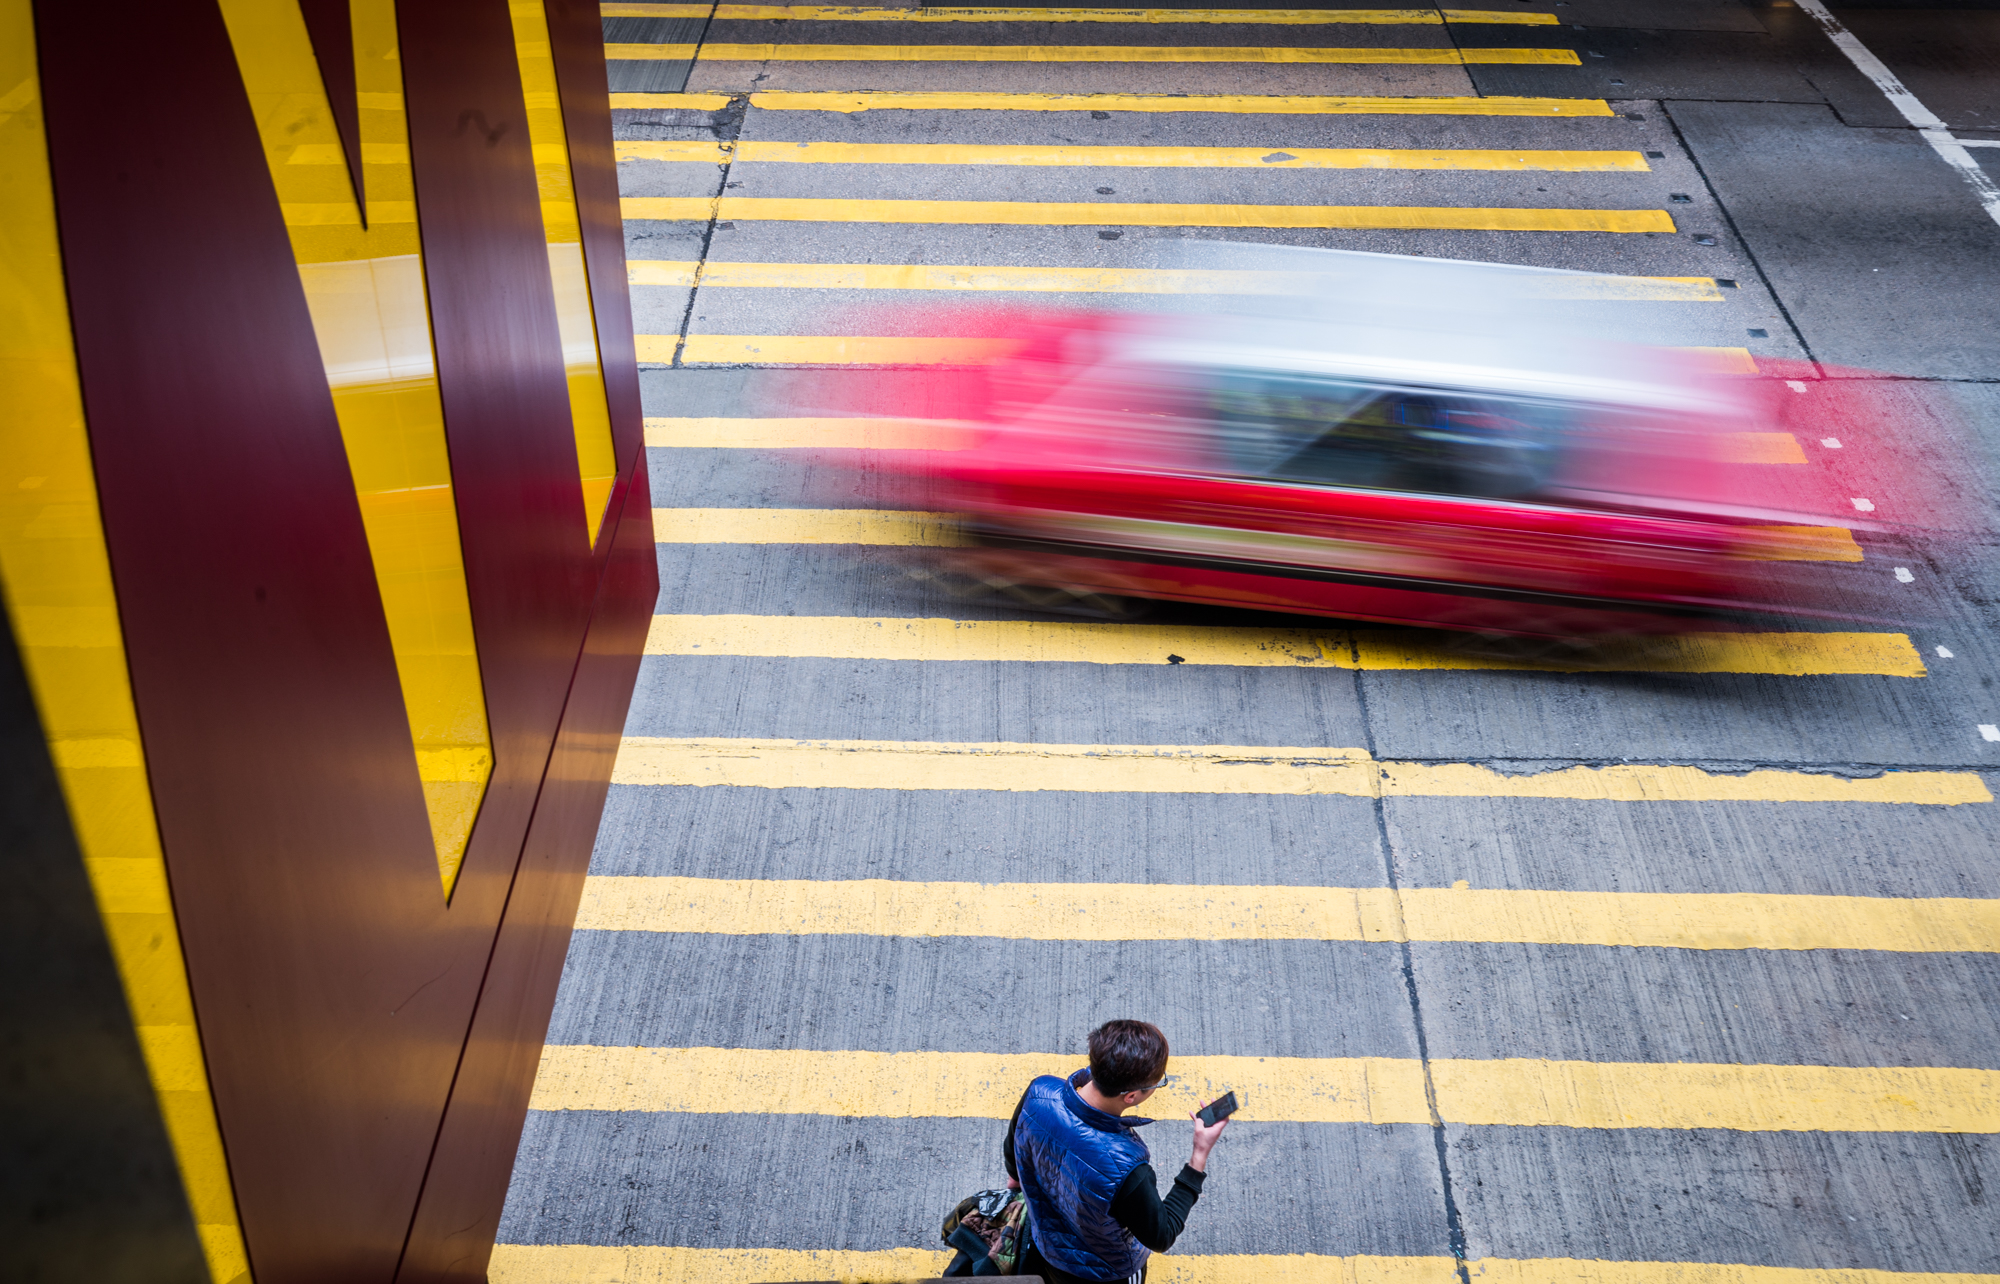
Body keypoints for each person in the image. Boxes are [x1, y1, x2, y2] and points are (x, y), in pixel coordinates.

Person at [1002, 1020, 1229, 1284]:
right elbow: (1162, 1234)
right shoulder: (1126, 1167)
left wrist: (1015, 1186)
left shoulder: (1039, 1092)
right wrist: (1198, 1155)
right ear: (1131, 1096)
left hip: (1045, 1246)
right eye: (1159, 1082)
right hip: (1104, 1271)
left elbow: (1013, 1156)